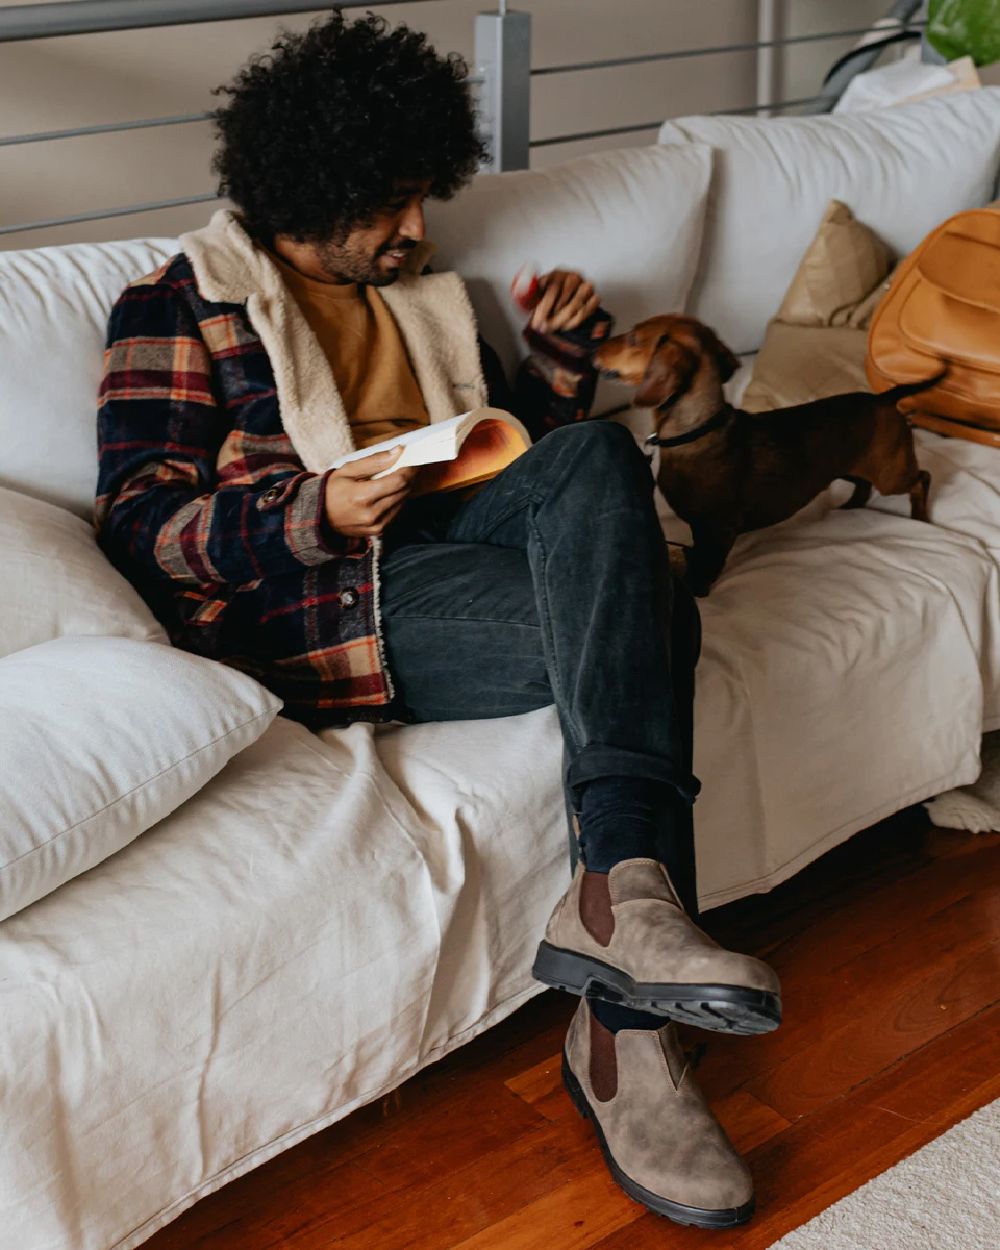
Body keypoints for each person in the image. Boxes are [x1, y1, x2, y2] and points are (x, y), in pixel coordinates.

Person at [95, 11, 780, 1229]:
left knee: (592, 461)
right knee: (640, 619)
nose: (419, 230)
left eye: (424, 196)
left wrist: (561, 361)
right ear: (315, 183)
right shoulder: (177, 305)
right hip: (336, 588)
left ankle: (617, 914)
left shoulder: (424, 295)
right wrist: (312, 506)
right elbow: (143, 522)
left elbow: (521, 454)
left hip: (460, 526)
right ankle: (625, 1022)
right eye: (394, 204)